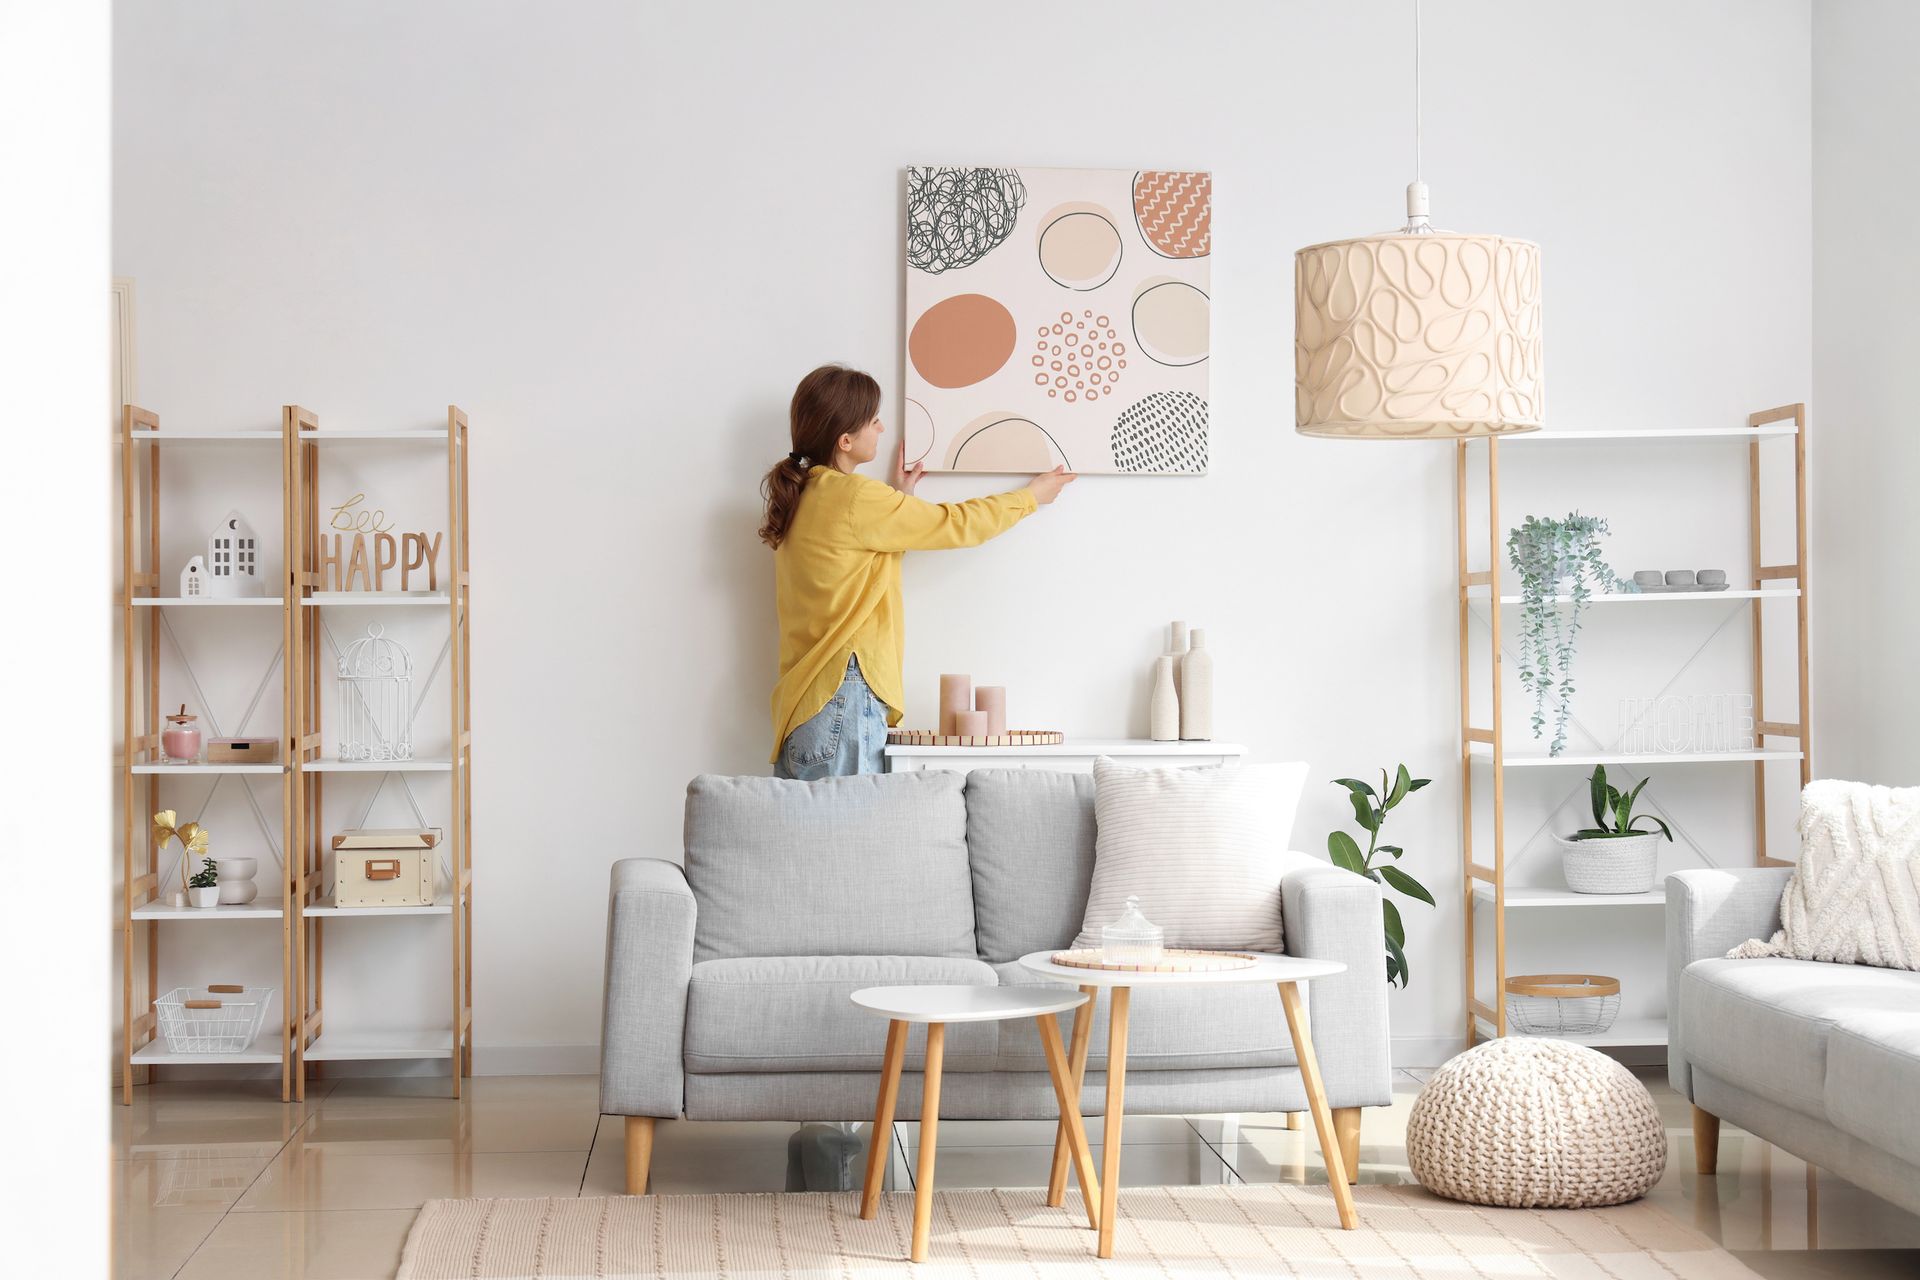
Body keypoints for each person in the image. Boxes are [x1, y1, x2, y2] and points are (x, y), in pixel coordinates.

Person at [760, 364, 1074, 779]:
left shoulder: (803, 495)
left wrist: (898, 499)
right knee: (853, 839)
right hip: (842, 697)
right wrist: (1029, 497)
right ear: (845, 439)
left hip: (805, 708)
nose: (882, 427)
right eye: (873, 420)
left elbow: (852, 568)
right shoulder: (855, 498)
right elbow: (956, 523)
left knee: (810, 843)